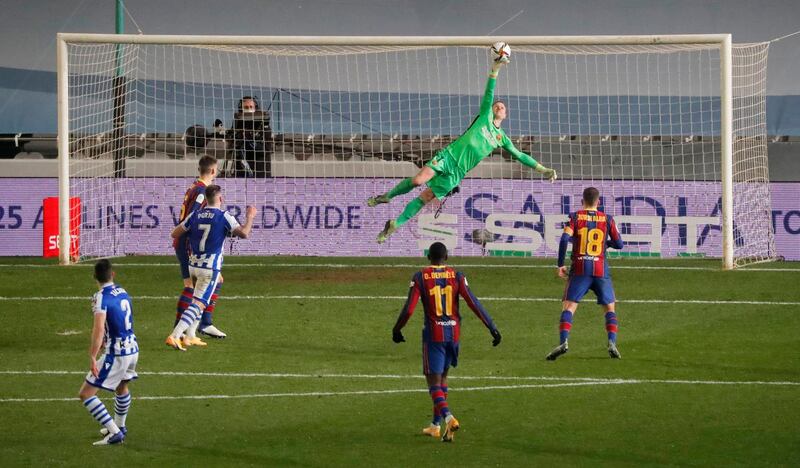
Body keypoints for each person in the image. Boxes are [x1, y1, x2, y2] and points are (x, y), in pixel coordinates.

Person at [368, 52, 557, 243]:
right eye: (496, 106)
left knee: (425, 197)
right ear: (491, 110)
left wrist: (543, 169)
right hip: (448, 156)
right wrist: (496, 68)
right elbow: (489, 92)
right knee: (418, 181)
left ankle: (395, 225)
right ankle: (387, 196)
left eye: (502, 107)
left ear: (506, 115)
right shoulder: (484, 117)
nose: (499, 107)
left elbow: (520, 155)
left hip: (457, 173)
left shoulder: (502, 138)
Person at [392, 242, 502, 442]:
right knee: (443, 380)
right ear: (447, 257)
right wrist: (492, 327)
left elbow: (409, 309)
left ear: (428, 257)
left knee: (433, 383)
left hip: (434, 335)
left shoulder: (421, 277)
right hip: (454, 334)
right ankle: (436, 426)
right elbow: (473, 302)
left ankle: (449, 418)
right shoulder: (457, 275)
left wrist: (397, 329)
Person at [166, 185, 256, 351]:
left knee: (197, 299)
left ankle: (190, 336)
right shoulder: (223, 216)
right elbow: (244, 233)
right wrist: (250, 217)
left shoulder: (195, 214)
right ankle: (175, 335)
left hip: (193, 265)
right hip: (209, 269)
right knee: (199, 303)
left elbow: (175, 233)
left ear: (206, 199)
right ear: (220, 199)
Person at [545, 187, 624, 361]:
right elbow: (620, 244)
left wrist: (560, 265)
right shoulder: (607, 219)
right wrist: (606, 244)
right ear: (599, 202)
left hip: (580, 268)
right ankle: (612, 342)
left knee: (569, 307)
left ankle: (563, 342)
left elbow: (565, 239)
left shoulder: (575, 217)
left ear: (582, 201)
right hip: (600, 269)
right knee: (610, 308)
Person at [78, 260, 138, 446]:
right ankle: (120, 426)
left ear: (94, 277)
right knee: (122, 387)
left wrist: (93, 356)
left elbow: (98, 329)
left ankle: (114, 434)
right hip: (133, 348)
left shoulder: (100, 297)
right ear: (113, 274)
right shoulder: (122, 291)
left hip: (117, 352)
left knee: (86, 394)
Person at [173, 155, 228, 342]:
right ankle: (185, 329)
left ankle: (197, 327)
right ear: (213, 170)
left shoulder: (194, 187)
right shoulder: (201, 191)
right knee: (194, 286)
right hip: (188, 243)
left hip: (184, 241)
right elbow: (192, 217)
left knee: (207, 283)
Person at [231, 96, 272, 177]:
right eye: (246, 107)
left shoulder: (264, 126)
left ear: (255, 108)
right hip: (242, 172)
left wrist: (251, 140)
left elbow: (267, 149)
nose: (248, 109)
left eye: (251, 107)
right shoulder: (237, 125)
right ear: (241, 109)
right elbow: (235, 145)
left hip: (260, 173)